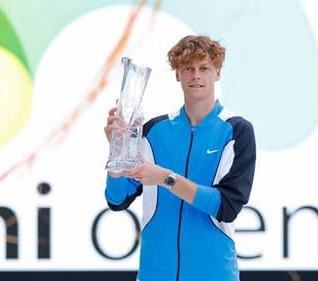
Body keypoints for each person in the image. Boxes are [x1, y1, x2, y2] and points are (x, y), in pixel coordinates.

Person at [104, 35, 256, 281]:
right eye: (188, 68)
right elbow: (117, 198)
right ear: (177, 74)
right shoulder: (155, 131)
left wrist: (166, 178)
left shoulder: (236, 131)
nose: (196, 75)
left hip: (213, 274)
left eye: (204, 68)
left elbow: (225, 207)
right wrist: (118, 150)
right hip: (155, 274)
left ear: (217, 72)